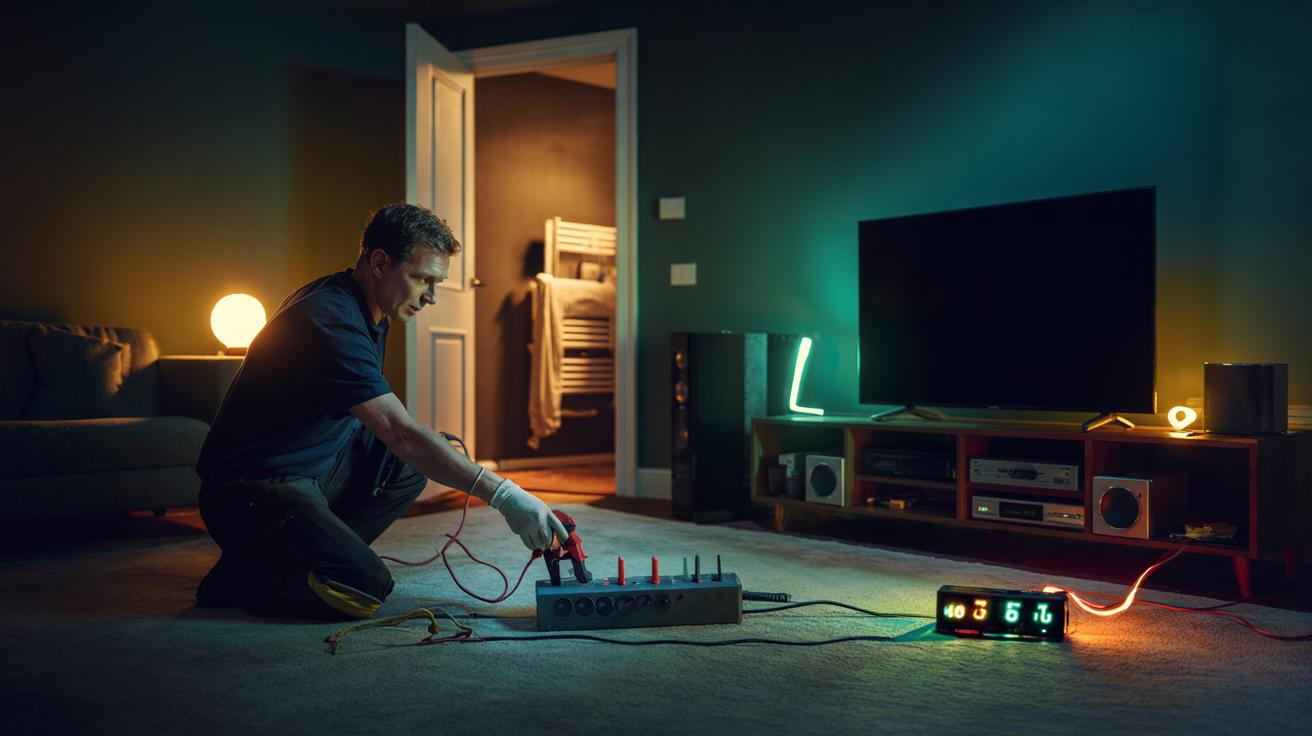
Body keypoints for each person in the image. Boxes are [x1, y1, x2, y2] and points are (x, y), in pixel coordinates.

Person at [194, 203, 567, 620]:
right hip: (252, 490)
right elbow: (399, 431)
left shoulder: (371, 307)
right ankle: (241, 580)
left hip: (310, 470)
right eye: (422, 279)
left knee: (408, 464)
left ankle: (304, 556)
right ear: (379, 262)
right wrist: (505, 496)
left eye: (437, 283)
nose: (430, 297)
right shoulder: (329, 318)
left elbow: (395, 439)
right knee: (364, 586)